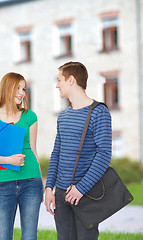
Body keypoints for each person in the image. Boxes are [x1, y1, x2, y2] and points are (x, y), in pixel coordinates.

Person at [44, 61, 112, 240]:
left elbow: (104, 155)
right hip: (61, 195)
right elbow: (56, 154)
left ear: (71, 80)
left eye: (60, 80)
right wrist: (49, 187)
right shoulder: (63, 116)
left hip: (85, 194)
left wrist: (80, 189)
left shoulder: (99, 112)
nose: (57, 85)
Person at [0, 72, 43, 240]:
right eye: (17, 87)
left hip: (31, 181)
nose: (22, 92)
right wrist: (7, 161)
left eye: (24, 89)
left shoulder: (30, 116)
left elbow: (33, 150)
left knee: (30, 236)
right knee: (2, 236)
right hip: (3, 183)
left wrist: (43, 184)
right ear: (6, 88)